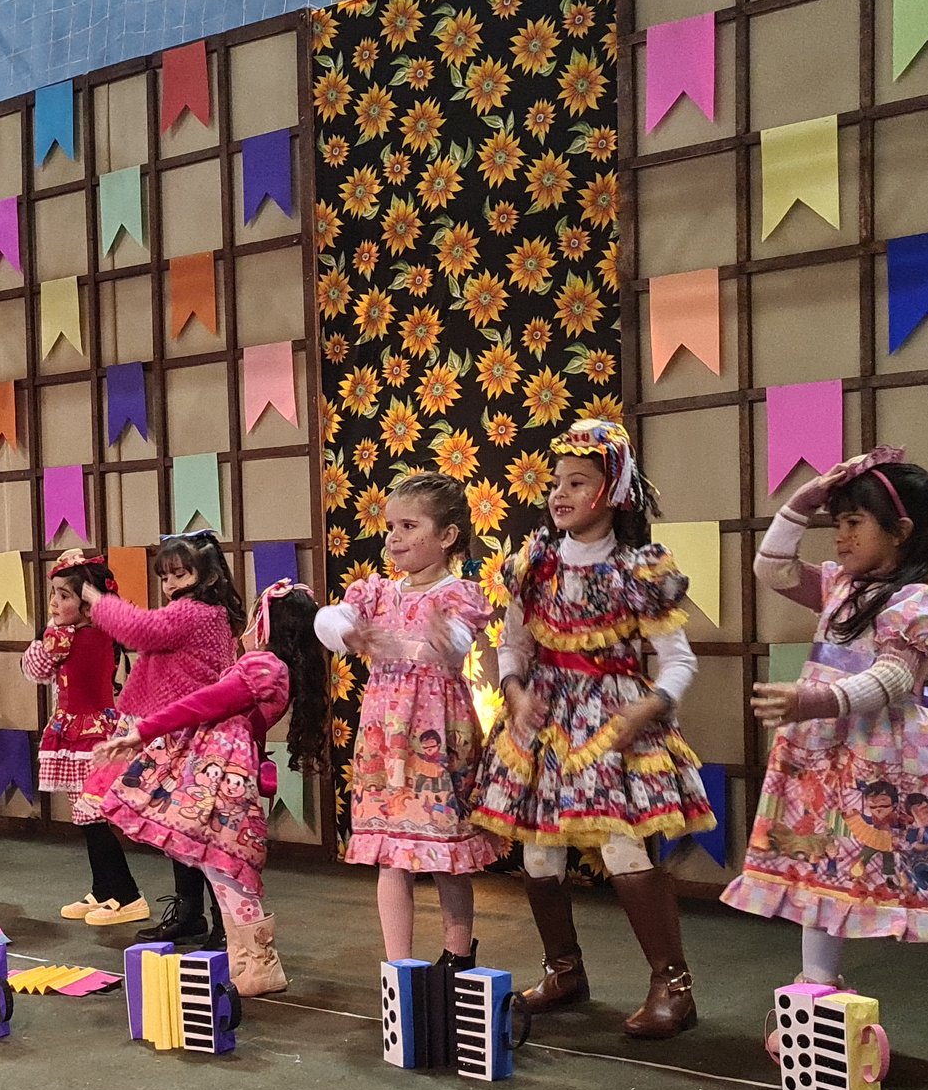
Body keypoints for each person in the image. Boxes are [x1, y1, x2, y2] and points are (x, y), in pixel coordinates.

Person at [722, 449, 928, 1088]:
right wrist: (804, 499)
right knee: (818, 881)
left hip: (900, 771)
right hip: (827, 765)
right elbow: (771, 567)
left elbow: (895, 677)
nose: (841, 535)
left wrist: (815, 700)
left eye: (855, 522)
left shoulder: (916, 601)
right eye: (837, 522)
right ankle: (815, 1009)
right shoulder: (839, 586)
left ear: (901, 531)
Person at [467, 419, 715, 1040]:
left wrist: (650, 706)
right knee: (538, 852)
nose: (561, 493)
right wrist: (515, 692)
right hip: (545, 722)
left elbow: (679, 660)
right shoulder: (534, 563)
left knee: (622, 847)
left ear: (613, 492)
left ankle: (673, 986)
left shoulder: (638, 569)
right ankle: (563, 971)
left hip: (611, 725)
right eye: (557, 482)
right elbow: (514, 645)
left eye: (578, 482)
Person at [91, 579, 328, 997]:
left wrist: (142, 731)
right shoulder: (272, 668)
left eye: (256, 617)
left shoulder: (264, 667)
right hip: (218, 774)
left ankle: (260, 964)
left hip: (222, 779)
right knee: (219, 868)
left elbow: (205, 702)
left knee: (227, 868)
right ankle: (247, 961)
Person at [317, 472, 501, 964]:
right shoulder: (377, 592)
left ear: (447, 535)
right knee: (390, 855)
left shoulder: (457, 594)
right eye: (390, 527)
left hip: (436, 732)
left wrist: (445, 639)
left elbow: (458, 643)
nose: (394, 538)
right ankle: (398, 967)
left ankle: (457, 958)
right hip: (386, 736)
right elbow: (329, 619)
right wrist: (346, 633)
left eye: (409, 526)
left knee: (446, 855)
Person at [72, 530, 241, 935]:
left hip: (190, 736)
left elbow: (141, 629)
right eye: (165, 577)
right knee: (180, 828)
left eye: (179, 575)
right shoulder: (206, 613)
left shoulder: (194, 613)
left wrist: (97, 600)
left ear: (208, 576)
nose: (169, 585)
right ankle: (191, 914)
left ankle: (219, 923)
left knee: (194, 832)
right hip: (182, 731)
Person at [21, 550, 131, 918]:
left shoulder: (73, 637)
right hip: (76, 731)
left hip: (91, 735)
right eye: (53, 593)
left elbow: (34, 667)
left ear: (88, 603)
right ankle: (103, 889)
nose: (54, 602)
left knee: (94, 818)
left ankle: (126, 895)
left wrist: (50, 631)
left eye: (64, 595)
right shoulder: (80, 634)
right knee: (86, 819)